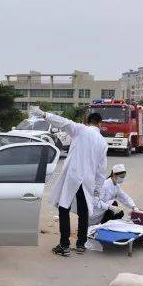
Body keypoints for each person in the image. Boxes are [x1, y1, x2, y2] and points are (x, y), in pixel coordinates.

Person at [29, 105, 107, 257]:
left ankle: (64, 245)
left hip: (74, 176)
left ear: (87, 121)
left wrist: (44, 114)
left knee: (64, 208)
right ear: (100, 124)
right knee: (84, 212)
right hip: (88, 180)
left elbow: (63, 122)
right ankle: (81, 244)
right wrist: (98, 188)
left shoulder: (81, 130)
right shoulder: (103, 142)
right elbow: (101, 169)